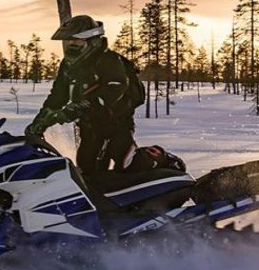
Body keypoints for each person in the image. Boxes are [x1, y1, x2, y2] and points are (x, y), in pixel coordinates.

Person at [25, 15, 183, 178]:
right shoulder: (68, 65)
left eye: (76, 41)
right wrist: (40, 122)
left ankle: (163, 161)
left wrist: (77, 108)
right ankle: (107, 201)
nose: (71, 44)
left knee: (129, 164)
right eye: (68, 41)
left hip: (115, 124)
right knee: (87, 171)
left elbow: (114, 89)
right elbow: (57, 96)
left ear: (91, 40)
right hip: (88, 126)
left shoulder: (109, 60)